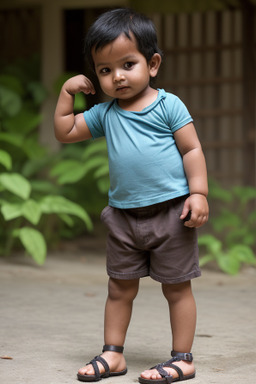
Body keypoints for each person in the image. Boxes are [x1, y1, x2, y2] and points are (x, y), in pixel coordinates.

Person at [54, 8, 209, 383]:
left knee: (176, 288)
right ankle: (114, 354)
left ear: (152, 63)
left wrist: (199, 192)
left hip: (171, 213)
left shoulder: (168, 105)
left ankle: (183, 358)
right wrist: (66, 93)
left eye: (127, 64)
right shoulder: (106, 113)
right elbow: (64, 131)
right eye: (105, 70)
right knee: (119, 287)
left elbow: (192, 150)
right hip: (123, 217)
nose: (117, 77)